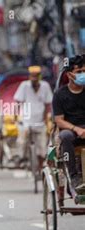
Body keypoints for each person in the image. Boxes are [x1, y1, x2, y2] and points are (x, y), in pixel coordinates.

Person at [52, 54, 85, 191]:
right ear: (70, 75)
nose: (83, 75)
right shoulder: (60, 94)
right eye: (79, 72)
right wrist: (77, 129)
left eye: (84, 71)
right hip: (70, 131)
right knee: (65, 136)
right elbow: (59, 120)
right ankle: (74, 176)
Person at [14, 66, 53, 172]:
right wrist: (16, 116)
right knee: (21, 141)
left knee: (42, 145)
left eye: (36, 76)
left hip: (40, 122)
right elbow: (18, 102)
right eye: (32, 76)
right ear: (29, 77)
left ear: (39, 77)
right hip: (26, 121)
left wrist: (46, 119)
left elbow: (47, 105)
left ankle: (41, 166)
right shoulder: (24, 86)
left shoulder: (45, 86)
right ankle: (22, 157)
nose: (34, 79)